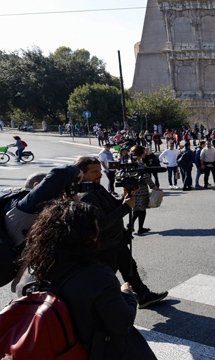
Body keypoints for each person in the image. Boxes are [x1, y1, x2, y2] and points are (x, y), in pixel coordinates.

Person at [18, 199, 157, 359]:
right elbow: (122, 323)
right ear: (87, 236)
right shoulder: (98, 276)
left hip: (55, 347)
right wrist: (127, 295)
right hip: (93, 349)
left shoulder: (35, 268)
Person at [72, 157, 168, 309]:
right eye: (94, 171)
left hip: (116, 240)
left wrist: (127, 197)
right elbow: (101, 224)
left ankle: (143, 295)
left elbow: (113, 206)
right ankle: (107, 311)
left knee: (130, 267)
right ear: (81, 174)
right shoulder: (87, 195)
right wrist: (126, 207)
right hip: (105, 246)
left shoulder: (96, 187)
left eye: (99, 170)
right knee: (106, 278)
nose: (100, 174)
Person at [128, 146, 160, 235]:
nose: (145, 153)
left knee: (137, 209)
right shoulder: (139, 164)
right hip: (141, 189)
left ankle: (131, 225)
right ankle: (138, 227)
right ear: (140, 153)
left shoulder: (130, 162)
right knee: (141, 209)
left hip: (133, 189)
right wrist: (153, 186)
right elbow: (146, 177)